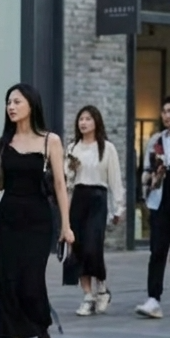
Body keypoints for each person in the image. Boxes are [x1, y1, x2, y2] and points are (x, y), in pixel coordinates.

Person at [0, 84, 74, 338]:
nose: (11, 106)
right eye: (8, 102)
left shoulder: (50, 140)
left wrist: (66, 225)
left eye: (17, 101)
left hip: (38, 219)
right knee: (8, 284)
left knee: (31, 281)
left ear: (31, 104)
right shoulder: (1, 144)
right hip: (8, 218)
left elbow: (61, 185)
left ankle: (43, 334)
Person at [63, 106, 124, 315]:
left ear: (96, 122)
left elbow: (115, 179)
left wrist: (119, 207)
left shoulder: (107, 148)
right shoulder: (73, 148)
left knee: (93, 246)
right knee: (78, 248)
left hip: (98, 199)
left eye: (88, 119)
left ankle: (102, 287)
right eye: (81, 119)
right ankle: (88, 296)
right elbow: (67, 181)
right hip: (78, 198)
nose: (84, 123)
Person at [137, 96, 170, 319]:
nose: (167, 115)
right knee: (157, 249)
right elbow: (147, 170)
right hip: (161, 197)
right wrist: (146, 192)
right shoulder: (157, 140)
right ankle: (153, 298)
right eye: (165, 111)